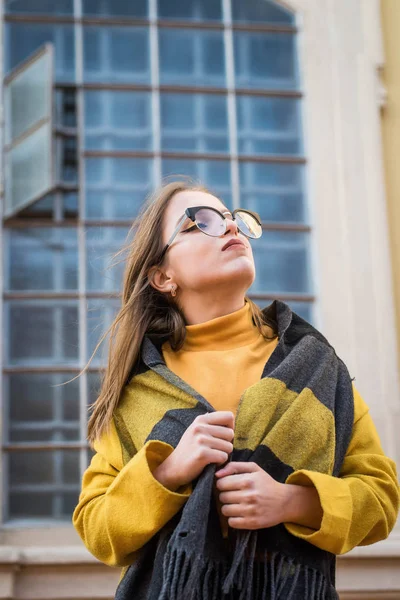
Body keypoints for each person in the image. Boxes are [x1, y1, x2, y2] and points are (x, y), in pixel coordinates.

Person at [73, 180, 399, 599]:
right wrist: (168, 471)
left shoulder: (316, 368)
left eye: (232, 219)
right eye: (199, 223)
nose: (230, 228)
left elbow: (381, 498)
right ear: (162, 276)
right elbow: (98, 530)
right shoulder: (137, 393)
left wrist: (292, 501)